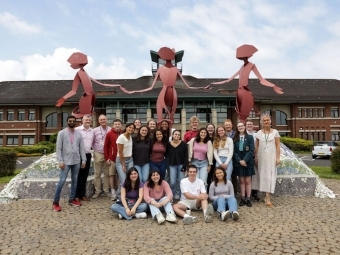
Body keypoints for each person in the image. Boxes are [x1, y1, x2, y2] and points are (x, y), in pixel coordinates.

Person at [53, 115, 86, 211]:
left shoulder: (79, 134)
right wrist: (60, 161)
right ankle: (55, 202)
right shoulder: (61, 133)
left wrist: (83, 160)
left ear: (75, 122)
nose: (71, 122)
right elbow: (58, 148)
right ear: (67, 122)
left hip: (76, 161)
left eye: (73, 121)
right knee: (62, 180)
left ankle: (72, 199)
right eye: (70, 121)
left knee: (75, 180)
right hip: (65, 161)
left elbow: (82, 148)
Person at [255, 113, 281, 206]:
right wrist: (256, 157)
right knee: (263, 175)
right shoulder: (258, 133)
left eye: (267, 120)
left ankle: (268, 197)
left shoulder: (275, 132)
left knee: (271, 175)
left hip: (271, 156)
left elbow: (278, 145)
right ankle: (265, 195)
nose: (266, 122)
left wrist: (278, 158)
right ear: (262, 122)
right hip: (262, 157)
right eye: (264, 120)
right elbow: (256, 146)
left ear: (270, 121)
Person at [233, 122, 255, 207]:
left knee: (248, 181)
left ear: (244, 127)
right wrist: (240, 161)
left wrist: (245, 160)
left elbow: (251, 150)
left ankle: (248, 198)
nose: (240, 127)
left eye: (242, 126)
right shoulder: (235, 138)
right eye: (239, 126)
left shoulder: (250, 137)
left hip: (248, 162)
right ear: (237, 128)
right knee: (241, 181)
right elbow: (234, 152)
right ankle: (242, 198)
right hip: (239, 163)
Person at [75, 114, 94, 201]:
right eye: (86, 120)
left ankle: (82, 194)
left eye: (89, 120)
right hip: (78, 155)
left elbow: (94, 143)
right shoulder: (77, 130)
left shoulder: (92, 131)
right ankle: (75, 194)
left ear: (91, 121)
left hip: (87, 155)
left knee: (84, 175)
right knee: (77, 175)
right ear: (82, 121)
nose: (87, 121)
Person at [92, 114, 111, 199]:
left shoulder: (110, 129)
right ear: (99, 121)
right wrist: (95, 149)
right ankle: (97, 191)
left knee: (107, 173)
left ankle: (106, 190)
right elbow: (91, 141)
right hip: (98, 153)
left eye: (104, 119)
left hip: (108, 154)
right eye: (101, 120)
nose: (103, 121)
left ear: (106, 120)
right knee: (97, 173)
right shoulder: (95, 130)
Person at [104, 119, 122, 201]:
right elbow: (106, 146)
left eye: (119, 124)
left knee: (119, 175)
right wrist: (107, 158)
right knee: (112, 175)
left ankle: (119, 191)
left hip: (121, 158)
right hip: (112, 158)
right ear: (113, 125)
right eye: (116, 124)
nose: (117, 125)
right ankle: (113, 191)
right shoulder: (109, 134)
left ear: (121, 125)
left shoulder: (123, 133)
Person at [167, 130, 188, 198]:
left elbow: (186, 155)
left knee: (181, 181)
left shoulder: (183, 144)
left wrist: (185, 166)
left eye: (178, 135)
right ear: (172, 135)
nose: (177, 136)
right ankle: (171, 195)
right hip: (172, 165)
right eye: (175, 134)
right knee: (172, 182)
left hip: (181, 165)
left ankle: (179, 194)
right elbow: (166, 154)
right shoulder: (168, 144)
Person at [246, 119, 260, 201]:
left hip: (254, 157)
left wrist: (256, 157)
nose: (249, 126)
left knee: (255, 176)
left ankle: (254, 192)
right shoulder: (243, 134)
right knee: (247, 176)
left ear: (253, 125)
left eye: (250, 124)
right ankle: (248, 193)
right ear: (245, 126)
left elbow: (257, 147)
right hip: (246, 158)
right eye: (248, 125)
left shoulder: (256, 135)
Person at [206, 123, 216, 192]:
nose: (210, 129)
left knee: (215, 175)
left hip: (215, 159)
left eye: (212, 128)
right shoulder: (204, 138)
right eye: (209, 128)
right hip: (206, 160)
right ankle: (207, 191)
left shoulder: (216, 138)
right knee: (208, 176)